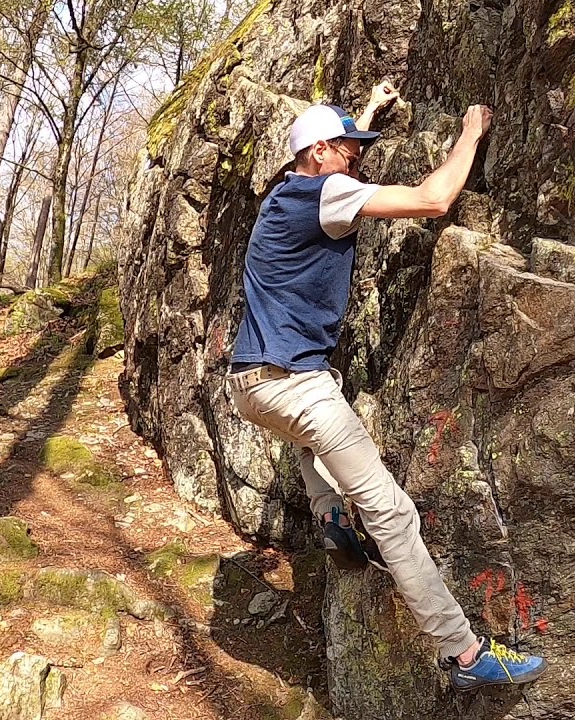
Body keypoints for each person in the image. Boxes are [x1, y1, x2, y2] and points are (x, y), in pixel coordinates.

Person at [225, 80, 547, 690]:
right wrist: (470, 132)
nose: (354, 157)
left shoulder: (281, 196)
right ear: (318, 151)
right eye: (346, 149)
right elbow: (433, 199)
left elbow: (336, 168)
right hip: (293, 383)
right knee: (391, 512)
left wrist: (367, 115)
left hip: (248, 385)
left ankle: (328, 520)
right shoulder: (326, 192)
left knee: (314, 413)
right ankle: (466, 654)